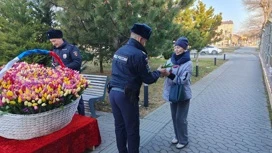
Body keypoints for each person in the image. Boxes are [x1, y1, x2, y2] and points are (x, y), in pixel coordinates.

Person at [108, 23, 167, 153]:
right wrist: (158, 72)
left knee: (120, 127)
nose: (145, 44)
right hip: (126, 96)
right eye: (145, 41)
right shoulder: (139, 54)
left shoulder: (119, 50)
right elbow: (148, 79)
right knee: (132, 130)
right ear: (141, 39)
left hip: (113, 93)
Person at [162, 36, 193, 149]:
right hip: (172, 93)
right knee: (174, 117)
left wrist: (169, 74)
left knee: (181, 118)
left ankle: (184, 140)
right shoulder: (171, 60)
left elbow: (182, 80)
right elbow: (164, 70)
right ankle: (177, 135)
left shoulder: (188, 63)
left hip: (183, 95)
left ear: (185, 49)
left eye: (179, 47)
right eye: (175, 47)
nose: (176, 49)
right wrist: (161, 71)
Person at [47, 29, 85, 116]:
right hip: (60, 80)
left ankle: (82, 116)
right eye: (51, 42)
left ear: (60, 38)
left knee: (77, 99)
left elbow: (77, 62)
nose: (53, 43)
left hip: (72, 79)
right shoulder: (54, 49)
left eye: (54, 41)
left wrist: (63, 68)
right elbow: (54, 63)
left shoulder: (71, 48)